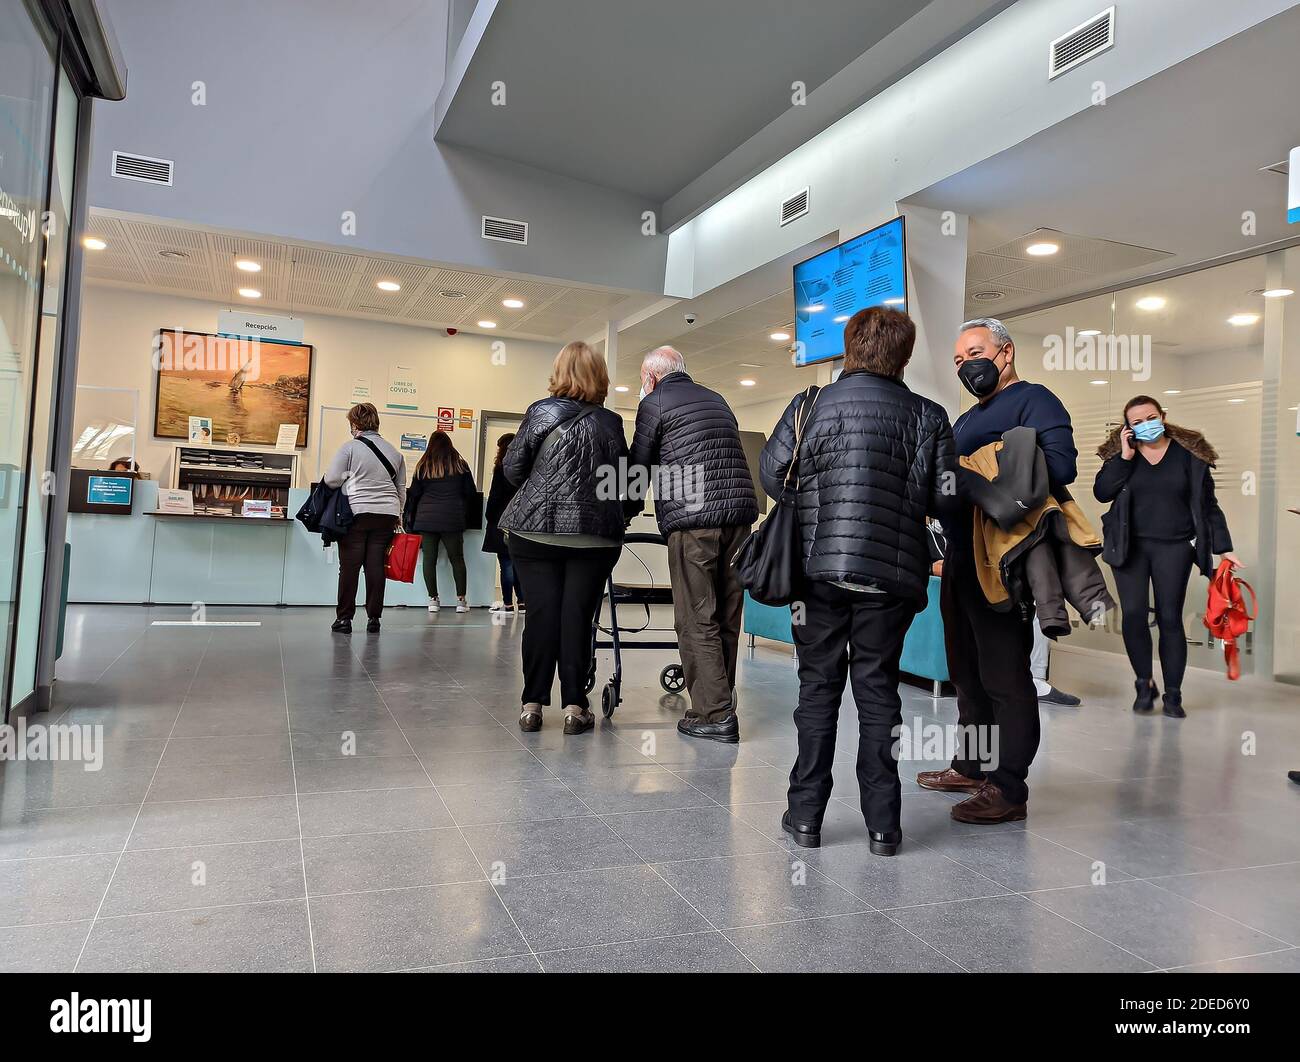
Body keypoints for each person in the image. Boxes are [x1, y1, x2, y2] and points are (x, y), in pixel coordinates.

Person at [760, 307, 955, 856]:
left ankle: (805, 818)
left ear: (848, 347)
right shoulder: (929, 415)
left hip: (817, 572)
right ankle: (883, 827)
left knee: (816, 689)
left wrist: (820, 505)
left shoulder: (809, 406)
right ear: (905, 355)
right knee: (878, 692)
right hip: (890, 578)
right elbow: (944, 496)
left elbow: (775, 475)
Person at [917, 317, 1077, 824]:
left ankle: (1008, 786)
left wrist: (985, 472)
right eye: (960, 360)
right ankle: (972, 765)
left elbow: (1061, 465)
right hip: (960, 558)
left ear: (1005, 354)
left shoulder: (1036, 400)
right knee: (966, 673)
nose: (968, 366)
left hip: (1002, 559)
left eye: (976, 353)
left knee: (1005, 675)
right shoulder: (966, 419)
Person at [625, 346, 758, 743]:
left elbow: (639, 466)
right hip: (737, 518)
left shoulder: (654, 403)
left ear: (650, 378)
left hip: (693, 521)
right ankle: (722, 697)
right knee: (727, 613)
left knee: (696, 616)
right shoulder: (716, 398)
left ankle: (714, 713)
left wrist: (624, 513)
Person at [499, 341, 627, 735]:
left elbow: (512, 468)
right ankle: (574, 706)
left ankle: (532, 706)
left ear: (559, 373)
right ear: (599, 377)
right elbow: (623, 482)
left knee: (540, 617)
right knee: (577, 617)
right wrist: (618, 514)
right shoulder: (610, 422)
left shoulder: (540, 411)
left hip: (534, 533)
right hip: (593, 537)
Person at [1093, 395, 1239, 717]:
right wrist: (1125, 458)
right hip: (1129, 546)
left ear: (1162, 415)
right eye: (1137, 422)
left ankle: (1173, 694)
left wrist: (1223, 547)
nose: (1146, 425)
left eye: (1150, 417)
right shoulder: (1121, 455)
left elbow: (1207, 505)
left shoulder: (1189, 455)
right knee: (1132, 615)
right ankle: (1143, 684)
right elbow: (1102, 492)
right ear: (1128, 428)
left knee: (1170, 618)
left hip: (1174, 547)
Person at [323, 402, 407, 634]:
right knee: (375, 566)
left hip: (357, 513)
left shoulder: (350, 448)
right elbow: (401, 488)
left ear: (354, 423)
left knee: (349, 567)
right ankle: (374, 619)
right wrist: (398, 514)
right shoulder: (395, 452)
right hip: (386, 514)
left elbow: (331, 480)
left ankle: (344, 620)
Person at [403, 431, 476, 614]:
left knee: (429, 560)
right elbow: (471, 493)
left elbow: (414, 494)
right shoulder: (460, 465)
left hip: (426, 520)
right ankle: (461, 601)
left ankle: (433, 600)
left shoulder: (423, 466)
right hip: (452, 519)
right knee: (457, 560)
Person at [482, 432, 525, 613]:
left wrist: (489, 517)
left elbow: (495, 496)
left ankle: (507, 603)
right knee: (518, 564)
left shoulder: (500, 469)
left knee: (506, 564)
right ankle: (522, 602)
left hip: (501, 520)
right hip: (520, 520)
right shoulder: (524, 469)